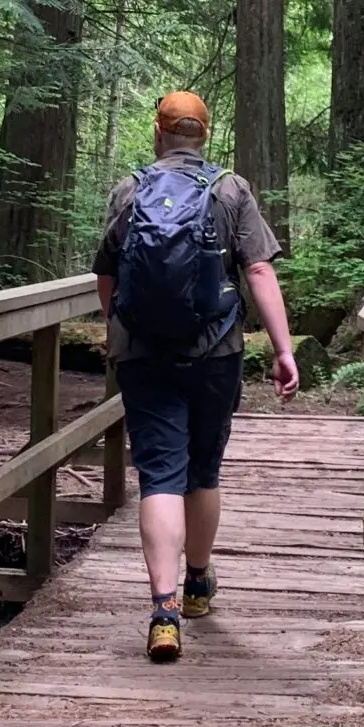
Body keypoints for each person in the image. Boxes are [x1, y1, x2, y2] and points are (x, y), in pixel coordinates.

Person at [93, 90, 299, 663]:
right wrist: (283, 349)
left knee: (160, 474)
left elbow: (107, 274)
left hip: (144, 355)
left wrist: (120, 329)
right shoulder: (230, 189)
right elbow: (257, 267)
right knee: (203, 472)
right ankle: (198, 583)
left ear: (158, 134)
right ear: (205, 135)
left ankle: (162, 612)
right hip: (216, 352)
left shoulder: (130, 189)